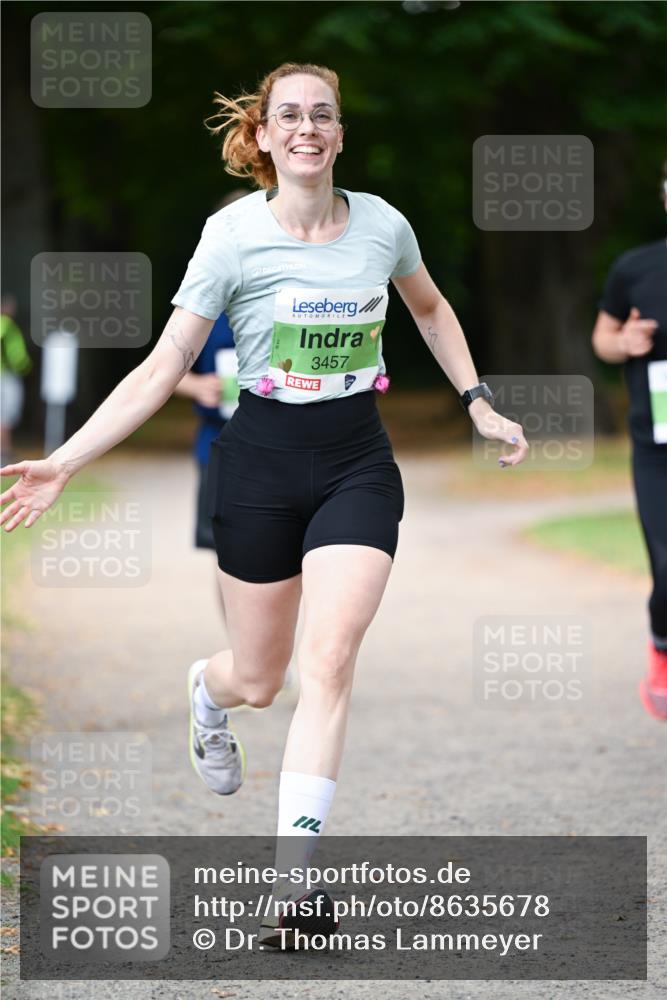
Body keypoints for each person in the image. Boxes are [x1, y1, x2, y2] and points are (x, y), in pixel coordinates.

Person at [0, 62, 528, 947]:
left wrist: (476, 400)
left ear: (339, 134)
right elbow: (165, 365)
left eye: (322, 114)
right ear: (264, 135)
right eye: (290, 115)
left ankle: (294, 887)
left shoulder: (383, 225)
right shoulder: (231, 236)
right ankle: (206, 694)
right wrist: (64, 461)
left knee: (328, 661)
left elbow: (432, 310)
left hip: (356, 462)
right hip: (257, 467)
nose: (307, 128)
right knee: (258, 679)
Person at [592, 166, 667, 721]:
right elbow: (602, 339)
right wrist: (625, 340)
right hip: (657, 445)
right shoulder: (635, 267)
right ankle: (662, 650)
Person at [0, 295, 33, 463]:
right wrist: (26, 367)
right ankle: (4, 451)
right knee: (5, 415)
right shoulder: (8, 327)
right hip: (7, 376)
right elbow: (17, 356)